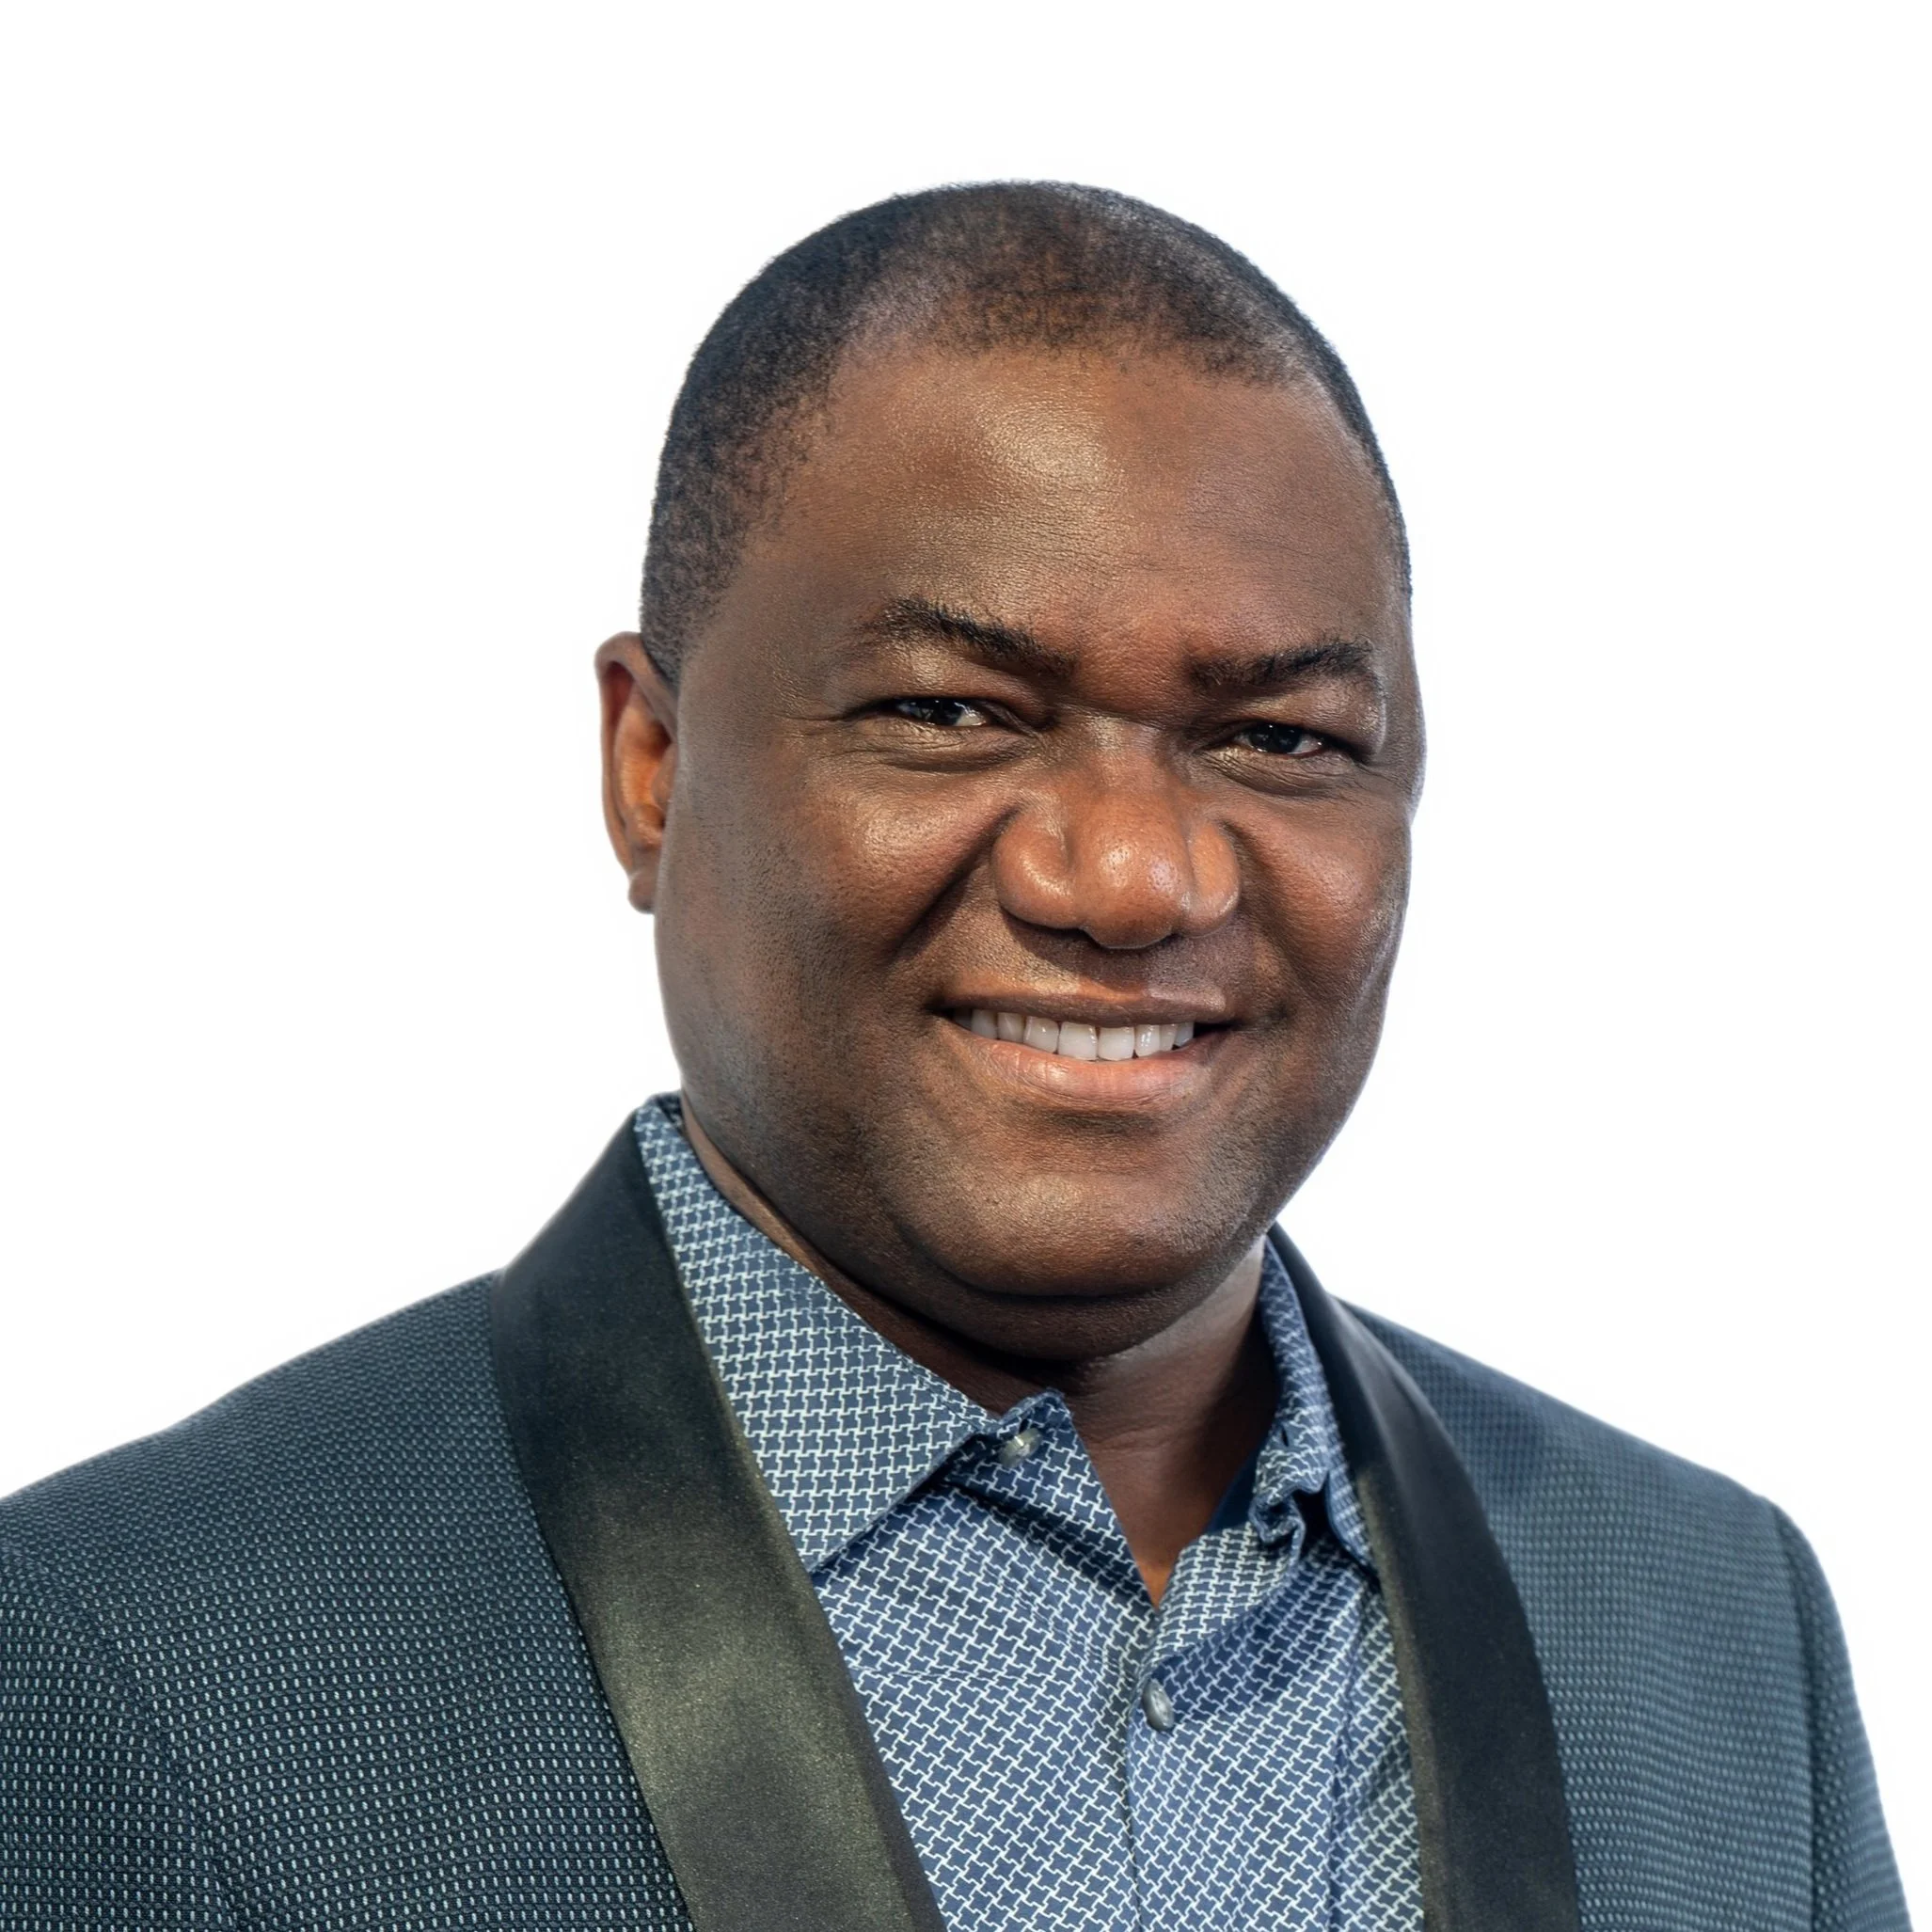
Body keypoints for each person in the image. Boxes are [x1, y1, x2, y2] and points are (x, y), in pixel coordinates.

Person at [0, 184, 1907, 1932]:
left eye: (1280, 740)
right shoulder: (137, 1663)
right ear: (646, 767)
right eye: (953, 713)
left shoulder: (1714, 1632)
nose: (1134, 876)